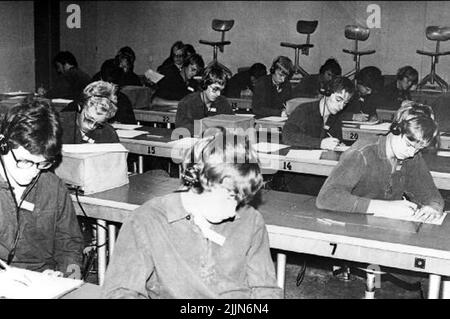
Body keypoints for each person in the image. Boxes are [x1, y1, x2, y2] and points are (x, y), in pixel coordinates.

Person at [101, 128, 282, 298]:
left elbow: (265, 289)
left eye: (240, 200)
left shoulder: (250, 220)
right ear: (200, 180)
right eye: (229, 197)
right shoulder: (147, 220)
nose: (233, 211)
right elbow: (120, 292)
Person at [317, 101, 444, 221]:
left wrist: (433, 207)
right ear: (396, 129)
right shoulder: (362, 153)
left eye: (418, 149)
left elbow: (431, 194)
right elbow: (326, 197)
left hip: (385, 224)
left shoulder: (412, 156)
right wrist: (384, 207)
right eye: (409, 145)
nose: (411, 153)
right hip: (351, 222)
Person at [0, 100, 83, 276]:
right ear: (3, 146)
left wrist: (67, 273)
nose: (33, 172)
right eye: (25, 161)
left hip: (42, 280)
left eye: (42, 163)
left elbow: (69, 243)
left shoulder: (53, 186)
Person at [281, 76, 355, 195]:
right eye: (338, 99)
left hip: (321, 172)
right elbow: (287, 136)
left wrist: (339, 145)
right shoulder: (304, 110)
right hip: (299, 174)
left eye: (345, 103)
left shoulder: (335, 117)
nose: (341, 107)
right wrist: (320, 143)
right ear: (327, 93)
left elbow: (336, 140)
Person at [175, 65, 234, 136]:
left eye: (221, 90)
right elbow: (181, 130)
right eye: (215, 89)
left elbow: (232, 124)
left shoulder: (223, 102)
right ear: (205, 84)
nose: (218, 94)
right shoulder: (187, 103)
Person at [96, 59, 137, 124]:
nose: (111, 89)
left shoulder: (122, 100)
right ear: (100, 80)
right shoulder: (92, 98)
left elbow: (130, 124)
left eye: (116, 86)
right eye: (108, 84)